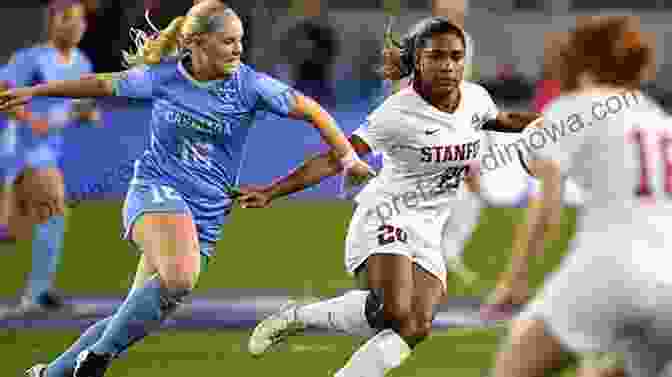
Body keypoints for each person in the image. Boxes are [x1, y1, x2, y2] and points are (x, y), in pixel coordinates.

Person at [0, 1, 374, 377]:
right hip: (156, 191)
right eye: (228, 41)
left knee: (131, 315)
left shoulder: (250, 85)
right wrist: (39, 91)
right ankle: (95, 364)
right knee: (180, 276)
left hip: (206, 214)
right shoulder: (163, 78)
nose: (238, 49)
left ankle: (50, 374)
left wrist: (348, 159)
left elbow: (312, 110)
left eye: (240, 41)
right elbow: (102, 84)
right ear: (197, 42)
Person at [243, 16, 542, 377]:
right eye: (437, 57)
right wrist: (272, 191)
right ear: (417, 61)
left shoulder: (475, 98)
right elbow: (337, 156)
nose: (448, 65)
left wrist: (549, 120)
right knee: (394, 311)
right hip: (387, 215)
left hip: (429, 228)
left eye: (456, 56)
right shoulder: (398, 112)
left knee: (415, 327)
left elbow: (502, 119)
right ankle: (296, 317)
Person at [489, 16, 672, 377]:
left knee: (511, 370)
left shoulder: (574, 106)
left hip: (609, 267)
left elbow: (547, 211)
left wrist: (515, 280)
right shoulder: (660, 118)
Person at [0, 0, 101, 317]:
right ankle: (38, 294)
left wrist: (86, 113)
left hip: (45, 152)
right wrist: (31, 120)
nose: (75, 25)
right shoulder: (31, 59)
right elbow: (5, 93)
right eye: (67, 19)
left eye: (80, 20)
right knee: (54, 208)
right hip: (21, 149)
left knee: (17, 229)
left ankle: (38, 292)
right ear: (52, 22)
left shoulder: (82, 64)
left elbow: (82, 106)